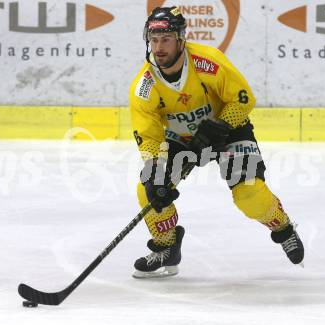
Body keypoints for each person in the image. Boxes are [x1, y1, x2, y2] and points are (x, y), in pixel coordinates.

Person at [129, 6, 304, 278]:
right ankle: (167, 247)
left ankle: (282, 227)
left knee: (250, 195)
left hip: (228, 131)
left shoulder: (208, 62)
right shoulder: (144, 86)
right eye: (153, 40)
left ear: (180, 39)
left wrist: (220, 126)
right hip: (181, 140)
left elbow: (244, 99)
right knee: (148, 190)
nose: (158, 47)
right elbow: (150, 137)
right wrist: (156, 170)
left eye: (165, 40)